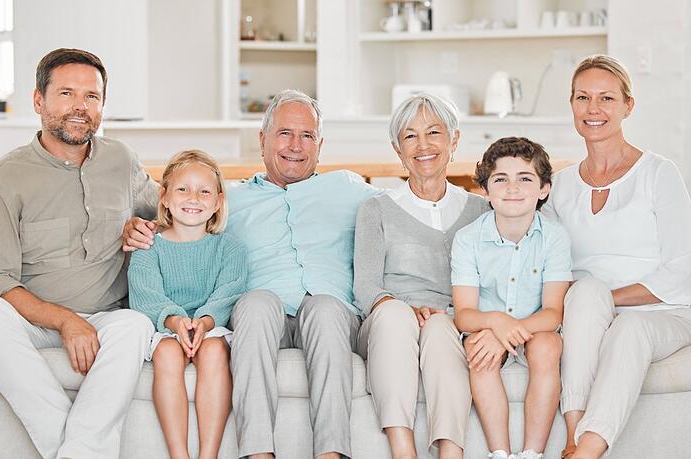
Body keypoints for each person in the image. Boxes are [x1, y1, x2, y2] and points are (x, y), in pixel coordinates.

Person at [123, 89, 380, 459]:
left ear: (320, 145)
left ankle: (331, 454)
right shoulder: (229, 198)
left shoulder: (349, 188)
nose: (295, 145)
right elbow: (177, 207)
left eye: (307, 135)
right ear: (262, 139)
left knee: (324, 307)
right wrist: (136, 225)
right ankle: (258, 453)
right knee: (256, 302)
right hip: (263, 317)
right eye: (284, 133)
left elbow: (407, 210)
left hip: (331, 316)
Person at [0, 48, 158, 459]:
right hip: (33, 319)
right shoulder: (4, 178)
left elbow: (167, 213)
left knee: (136, 325)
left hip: (108, 316)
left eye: (92, 96)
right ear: (39, 101)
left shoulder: (122, 160)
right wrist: (65, 321)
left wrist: (147, 229)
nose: (80, 108)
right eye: (67, 94)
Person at [544, 55, 691, 459]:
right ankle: (573, 433)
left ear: (627, 106)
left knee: (624, 326)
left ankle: (587, 450)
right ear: (571, 105)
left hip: (667, 314)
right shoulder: (560, 186)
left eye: (606, 98)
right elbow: (547, 267)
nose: (593, 108)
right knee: (585, 295)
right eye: (583, 97)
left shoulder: (659, 173)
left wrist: (603, 299)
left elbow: (681, 274)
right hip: (584, 315)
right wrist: (588, 300)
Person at [353, 93, 490, 459]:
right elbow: (365, 284)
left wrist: (445, 315)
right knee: (397, 315)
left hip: (450, 319)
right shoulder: (376, 208)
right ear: (398, 149)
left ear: (454, 141)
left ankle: (450, 451)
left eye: (434, 132)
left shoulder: (480, 210)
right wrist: (402, 307)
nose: (423, 145)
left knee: (441, 329)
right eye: (410, 136)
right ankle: (404, 451)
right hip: (389, 319)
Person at [451, 137, 572, 459]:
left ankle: (533, 452)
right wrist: (494, 324)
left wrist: (510, 328)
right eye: (501, 179)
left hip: (536, 326)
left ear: (544, 189)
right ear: (485, 191)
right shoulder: (468, 240)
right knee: (480, 354)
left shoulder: (555, 237)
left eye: (525, 179)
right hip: (486, 326)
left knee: (548, 346)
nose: (512, 188)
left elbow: (553, 312)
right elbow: (464, 314)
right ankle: (500, 453)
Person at [128, 150, 247, 459]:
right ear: (164, 196)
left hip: (212, 325)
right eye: (183, 189)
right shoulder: (149, 245)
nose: (193, 197)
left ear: (218, 201)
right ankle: (178, 454)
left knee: (214, 351)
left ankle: (209, 454)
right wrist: (176, 322)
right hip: (167, 326)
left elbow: (230, 291)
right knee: (167, 354)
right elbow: (145, 292)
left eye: (204, 191)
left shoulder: (229, 247)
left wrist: (204, 323)